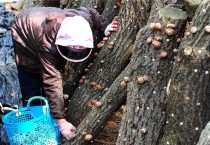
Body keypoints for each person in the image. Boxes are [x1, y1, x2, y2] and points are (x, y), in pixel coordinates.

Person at [11, 6, 117, 140]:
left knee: (48, 74)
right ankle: (34, 117)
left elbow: (91, 12)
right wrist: (61, 121)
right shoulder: (46, 44)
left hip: (45, 23)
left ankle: (49, 108)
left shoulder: (84, 19)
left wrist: (105, 26)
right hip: (24, 29)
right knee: (31, 74)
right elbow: (52, 79)